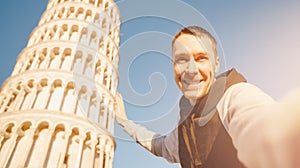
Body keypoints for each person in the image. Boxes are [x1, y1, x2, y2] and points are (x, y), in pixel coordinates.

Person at [115, 26, 300, 168]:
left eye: (201, 58)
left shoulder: (233, 96)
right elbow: (160, 146)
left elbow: (264, 125)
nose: (191, 70)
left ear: (216, 64)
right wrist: (124, 122)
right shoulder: (183, 128)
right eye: (181, 60)